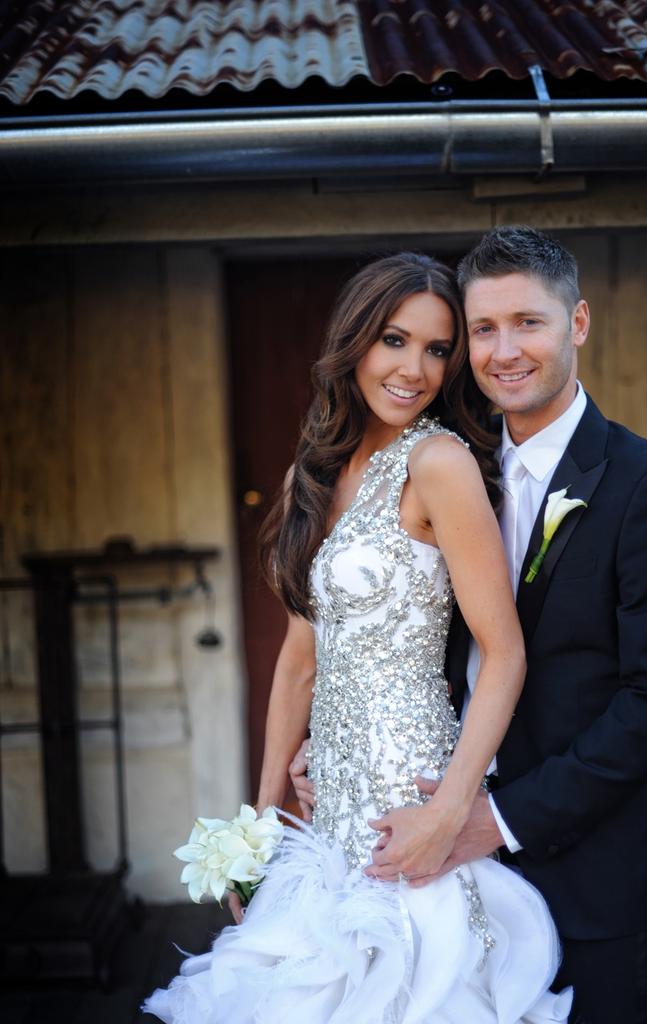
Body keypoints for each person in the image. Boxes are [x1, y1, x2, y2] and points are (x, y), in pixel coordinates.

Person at [143, 252, 572, 1023]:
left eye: (438, 349)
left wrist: (449, 811)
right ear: (355, 343)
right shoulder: (312, 472)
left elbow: (504, 653)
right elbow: (298, 662)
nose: (416, 369)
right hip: (330, 804)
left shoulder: (439, 464)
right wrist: (264, 822)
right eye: (395, 341)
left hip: (410, 792)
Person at [295, 227, 647, 1024]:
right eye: (483, 329)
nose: (503, 350)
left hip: (588, 873)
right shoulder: (455, 465)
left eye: (529, 322)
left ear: (577, 324)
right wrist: (340, 742)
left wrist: (493, 818)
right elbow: (404, 638)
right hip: (445, 869)